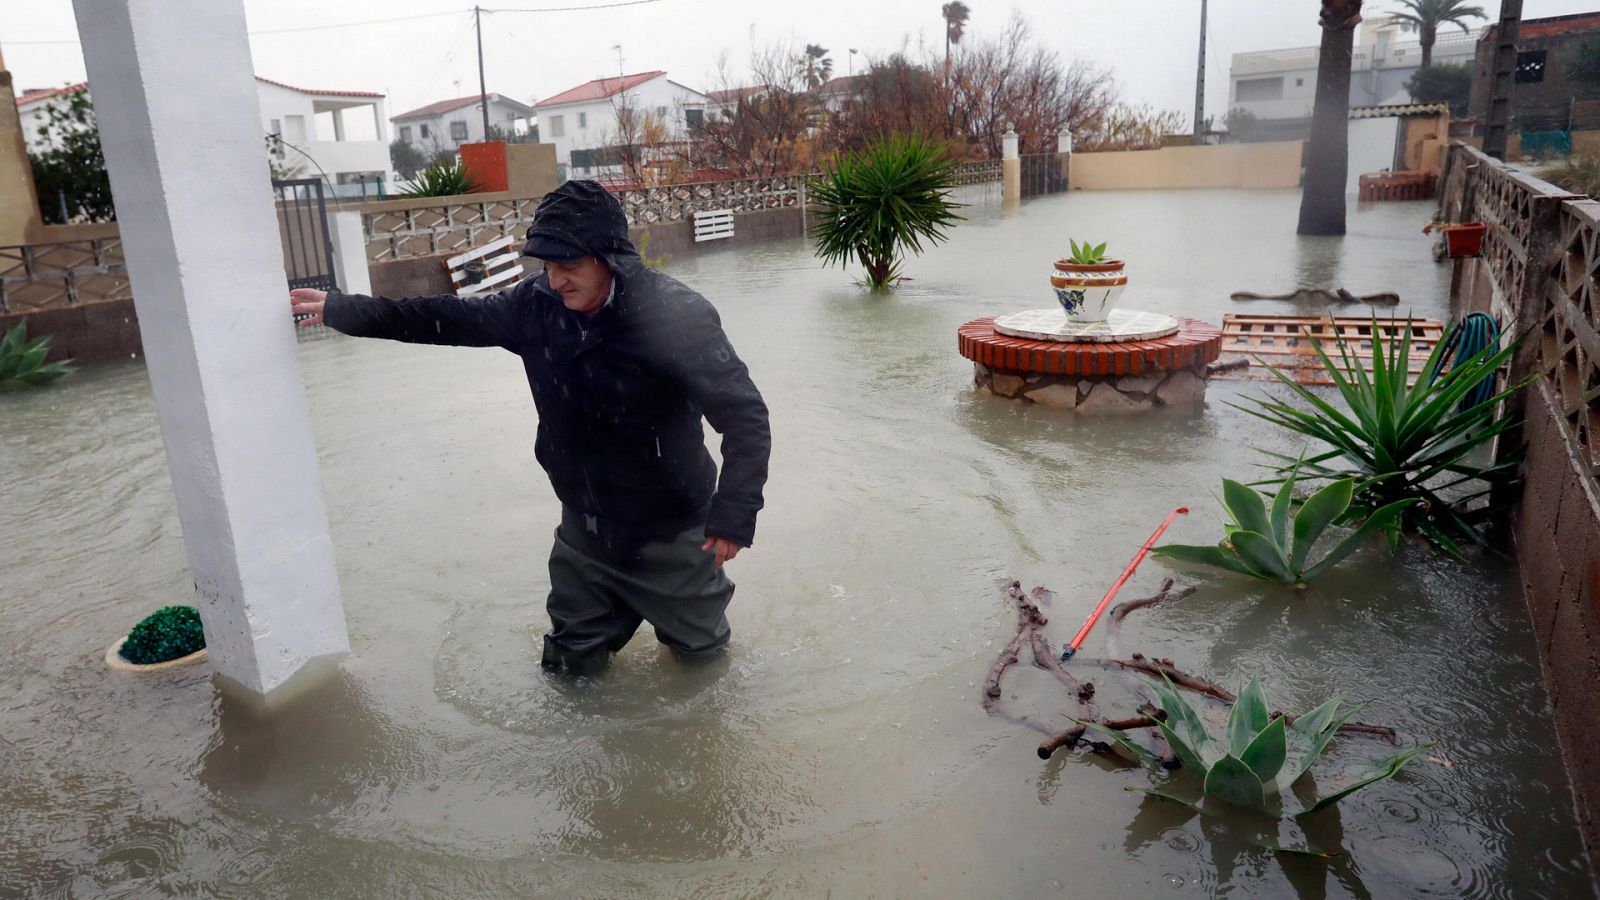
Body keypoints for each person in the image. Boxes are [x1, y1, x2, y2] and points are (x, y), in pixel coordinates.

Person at [289, 180, 770, 675]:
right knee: (568, 669)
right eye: (547, 265)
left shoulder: (677, 316)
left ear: (610, 258)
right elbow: (446, 317)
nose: (556, 280)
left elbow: (744, 415)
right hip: (584, 532)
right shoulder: (535, 306)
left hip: (672, 532)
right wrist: (341, 309)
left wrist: (733, 515)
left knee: (703, 670)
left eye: (570, 266)